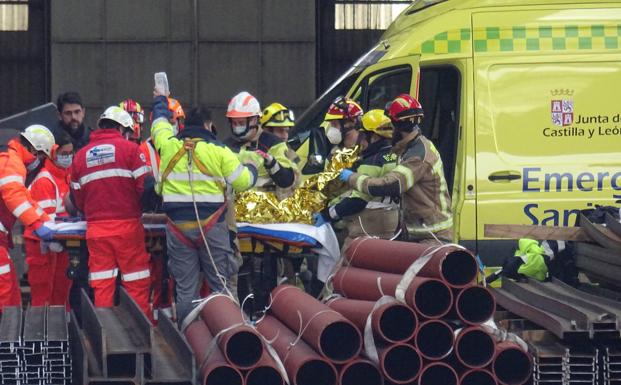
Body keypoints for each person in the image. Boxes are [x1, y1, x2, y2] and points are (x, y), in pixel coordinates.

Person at [150, 91, 258, 325]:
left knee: (186, 289)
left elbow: (158, 124)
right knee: (221, 286)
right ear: (209, 125)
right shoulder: (220, 151)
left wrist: (160, 98)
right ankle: (228, 334)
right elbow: (243, 182)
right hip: (212, 228)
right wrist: (253, 170)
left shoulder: (168, 146)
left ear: (183, 126)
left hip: (178, 229)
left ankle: (189, 341)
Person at [69, 106, 152, 318]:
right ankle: (141, 329)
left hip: (96, 230)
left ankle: (104, 331)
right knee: (136, 281)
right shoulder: (132, 151)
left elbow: (77, 199)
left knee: (102, 283)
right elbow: (147, 190)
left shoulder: (80, 157)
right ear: (122, 129)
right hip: (128, 229)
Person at [339, 94, 453, 242]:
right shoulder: (410, 148)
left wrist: (351, 177)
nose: (388, 132)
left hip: (433, 236)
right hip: (418, 233)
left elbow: (391, 185)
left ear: (400, 127)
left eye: (391, 126)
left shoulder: (417, 156)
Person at [314, 109, 399, 248]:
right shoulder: (395, 156)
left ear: (374, 137)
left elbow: (357, 199)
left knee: (346, 264)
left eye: (364, 135)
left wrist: (327, 214)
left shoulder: (372, 161)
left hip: (369, 224)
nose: (362, 140)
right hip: (392, 223)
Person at [0, 125, 57, 309]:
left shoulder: (12, 160)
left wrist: (48, 223)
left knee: (11, 291)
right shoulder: (12, 162)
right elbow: (14, 197)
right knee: (5, 287)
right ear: (33, 149)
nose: (39, 162)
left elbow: (27, 198)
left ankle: (9, 333)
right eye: (41, 156)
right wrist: (36, 225)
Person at [24, 130, 74, 306]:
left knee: (61, 289)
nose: (68, 158)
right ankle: (40, 330)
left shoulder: (65, 176)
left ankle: (60, 327)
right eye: (64, 154)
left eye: (70, 153)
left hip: (61, 242)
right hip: (42, 244)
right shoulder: (45, 180)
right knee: (43, 290)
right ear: (52, 153)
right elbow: (46, 220)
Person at [224, 92, 297, 195]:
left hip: (263, 209)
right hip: (233, 208)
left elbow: (287, 181)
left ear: (254, 120)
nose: (237, 127)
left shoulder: (273, 144)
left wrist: (272, 164)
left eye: (241, 123)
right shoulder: (226, 145)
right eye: (234, 123)